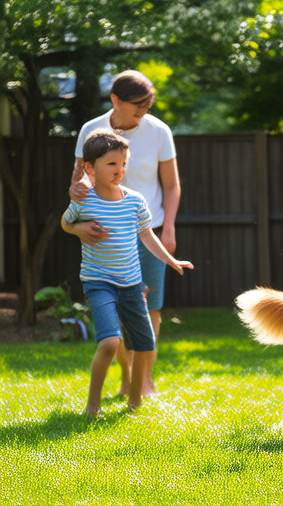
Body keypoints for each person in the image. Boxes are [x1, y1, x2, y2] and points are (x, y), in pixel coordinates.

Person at [61, 129, 193, 415]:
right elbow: (65, 221)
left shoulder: (135, 201)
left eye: (123, 163)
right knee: (109, 342)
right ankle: (92, 407)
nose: (119, 170)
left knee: (145, 345)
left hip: (132, 284)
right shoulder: (84, 200)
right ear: (89, 166)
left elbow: (147, 236)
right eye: (111, 164)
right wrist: (75, 228)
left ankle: (134, 404)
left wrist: (171, 260)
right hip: (99, 282)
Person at [70, 70, 181, 396]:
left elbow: (171, 185)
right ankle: (127, 374)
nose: (143, 110)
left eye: (148, 104)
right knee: (116, 307)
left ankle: (144, 380)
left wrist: (169, 227)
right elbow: (79, 184)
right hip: (106, 232)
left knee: (151, 307)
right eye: (137, 105)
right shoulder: (92, 129)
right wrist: (78, 223)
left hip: (150, 229)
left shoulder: (159, 131)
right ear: (115, 100)